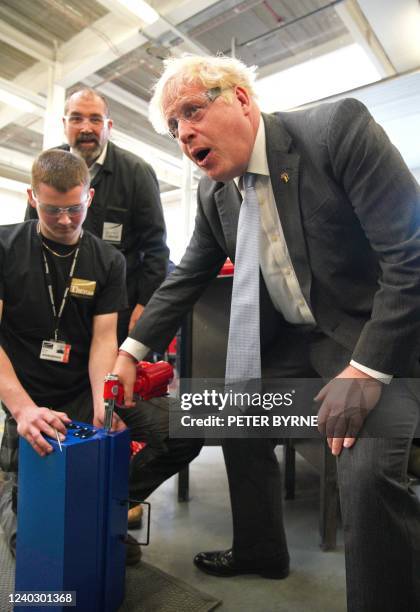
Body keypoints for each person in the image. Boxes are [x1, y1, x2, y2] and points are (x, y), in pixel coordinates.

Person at [112, 55, 420, 612]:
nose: (183, 133)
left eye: (191, 111)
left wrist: (368, 370)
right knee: (232, 414)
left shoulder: (335, 132)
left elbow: (411, 256)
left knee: (366, 473)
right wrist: (132, 350)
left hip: (375, 341)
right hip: (298, 344)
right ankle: (260, 551)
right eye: (173, 126)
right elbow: (186, 278)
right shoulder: (216, 195)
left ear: (241, 99)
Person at [0, 149, 202, 565]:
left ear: (88, 198)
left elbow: (103, 340)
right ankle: (11, 495)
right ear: (32, 197)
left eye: (74, 208)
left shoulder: (107, 260)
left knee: (182, 428)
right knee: (38, 552)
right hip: (26, 397)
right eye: (52, 209)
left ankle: (101, 507)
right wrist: (22, 410)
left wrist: (102, 400)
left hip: (81, 389)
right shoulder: (5, 247)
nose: (64, 220)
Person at [26, 88, 170, 344]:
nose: (86, 128)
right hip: (58, 303)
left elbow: (156, 249)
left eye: (95, 119)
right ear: (64, 123)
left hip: (119, 307)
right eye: (76, 118)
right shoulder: (46, 167)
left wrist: (146, 304)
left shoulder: (137, 172)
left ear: (108, 126)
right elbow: (32, 237)